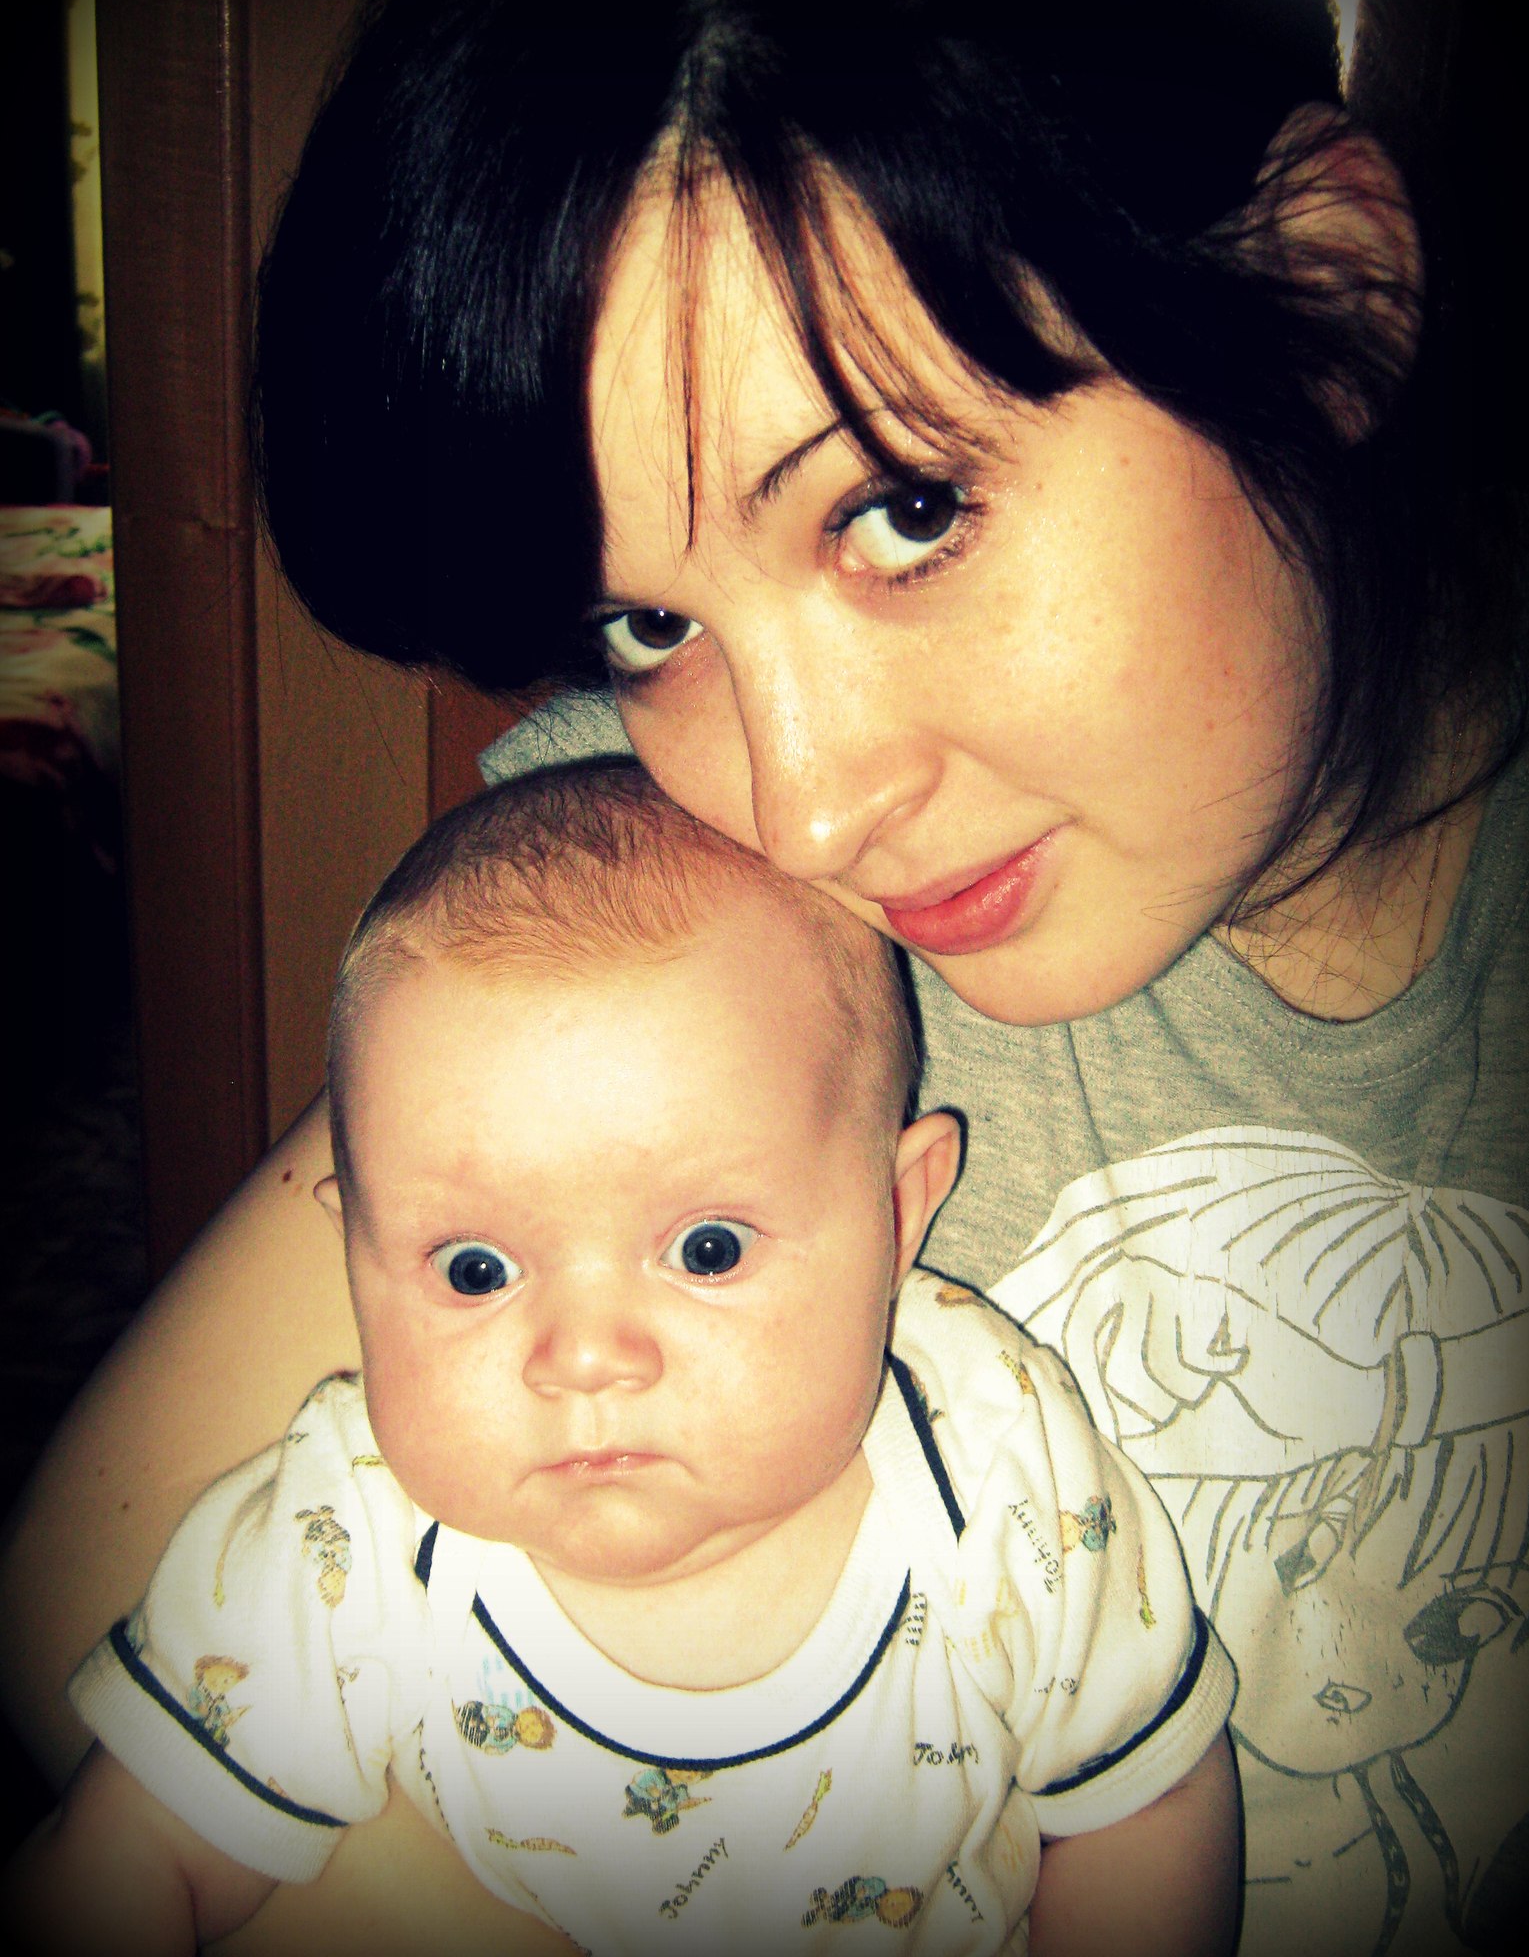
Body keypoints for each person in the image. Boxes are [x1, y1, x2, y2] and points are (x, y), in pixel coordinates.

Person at [1, 0, 1529, 1953]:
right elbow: (98, 1595)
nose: (803, 809)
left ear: (1324, 289)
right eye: (653, 622)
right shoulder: (696, 911)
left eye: (901, 509)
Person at [6, 763, 1238, 1957]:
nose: (585, 1357)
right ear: (351, 1252)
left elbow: (1142, 1802)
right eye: (475, 1269)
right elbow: (143, 1851)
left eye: (707, 1249)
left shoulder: (999, 1463)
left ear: (899, 1210)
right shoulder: (342, 1545)